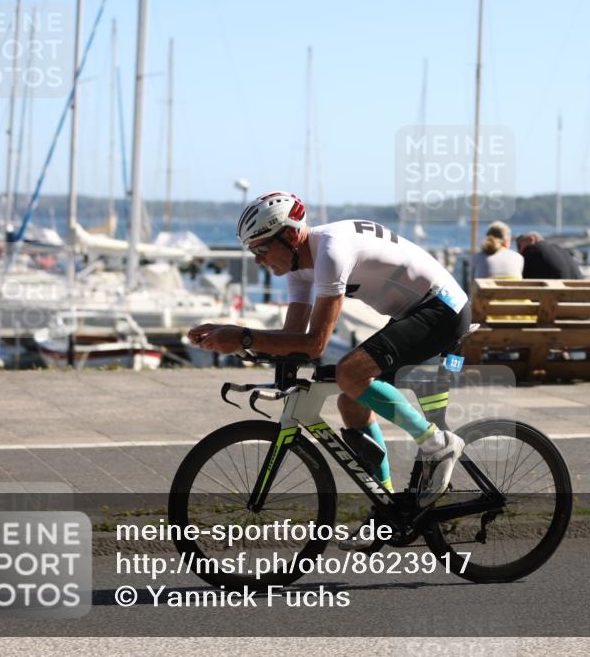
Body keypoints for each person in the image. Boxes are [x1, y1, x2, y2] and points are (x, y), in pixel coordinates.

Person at [187, 191, 470, 550]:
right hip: (412, 312)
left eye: (261, 248)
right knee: (350, 402)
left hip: (443, 308)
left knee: (349, 374)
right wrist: (234, 339)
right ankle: (387, 511)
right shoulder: (299, 268)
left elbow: (315, 344)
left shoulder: (331, 252)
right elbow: (292, 340)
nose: (257, 259)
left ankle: (437, 445)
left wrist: (242, 336)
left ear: (291, 236)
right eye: (252, 251)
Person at [515, 232, 583, 279]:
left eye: (519, 246)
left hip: (558, 294)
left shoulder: (532, 249)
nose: (519, 251)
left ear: (531, 239)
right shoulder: (559, 249)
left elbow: (520, 278)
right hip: (578, 293)